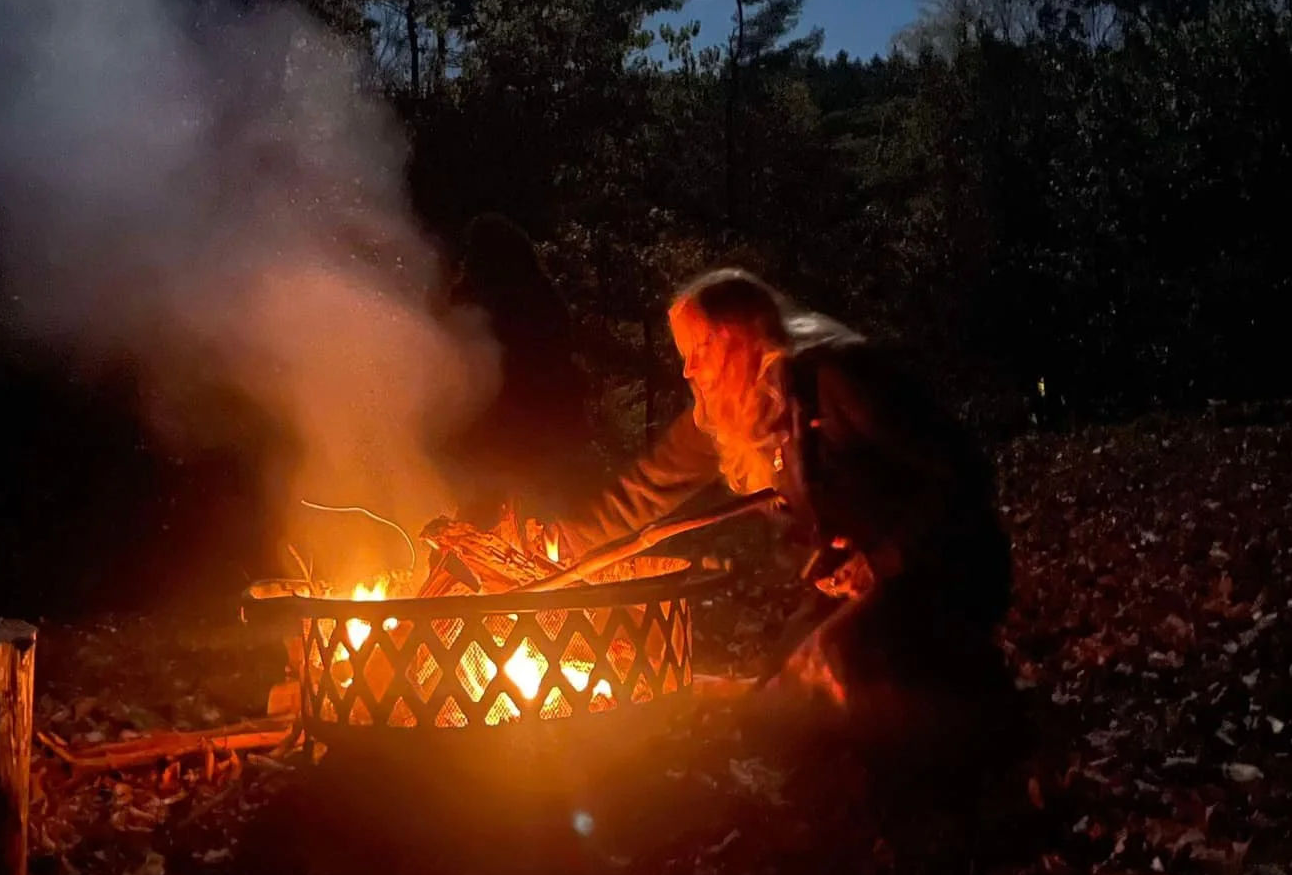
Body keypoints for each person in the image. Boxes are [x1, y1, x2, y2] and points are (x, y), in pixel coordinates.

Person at [557, 268, 1021, 762]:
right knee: (776, 694)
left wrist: (883, 557)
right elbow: (645, 489)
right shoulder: (728, 407)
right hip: (859, 585)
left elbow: (961, 473)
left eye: (698, 349)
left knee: (826, 677)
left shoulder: (838, 379)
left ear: (737, 337)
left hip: (938, 571)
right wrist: (558, 544)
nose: (688, 370)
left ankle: (965, 719)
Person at [437, 215, 603, 535]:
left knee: (504, 511)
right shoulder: (542, 298)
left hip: (512, 430)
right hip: (533, 433)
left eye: (472, 252)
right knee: (529, 511)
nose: (466, 261)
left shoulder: (485, 301)